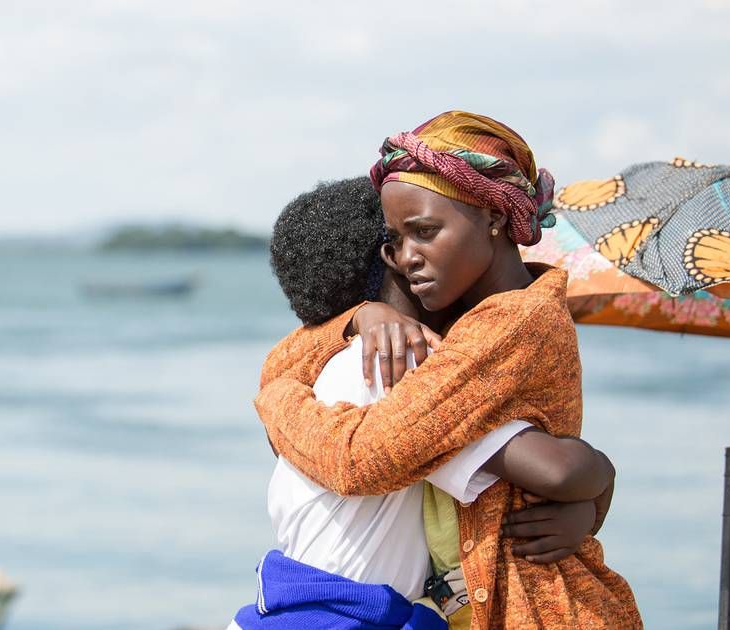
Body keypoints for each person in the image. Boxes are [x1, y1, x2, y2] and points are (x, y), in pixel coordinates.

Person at [255, 112, 640, 628]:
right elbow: (286, 358)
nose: (408, 258)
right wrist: (356, 319)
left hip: (547, 610)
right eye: (395, 242)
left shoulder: (510, 324)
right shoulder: (460, 312)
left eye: (425, 232)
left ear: (493, 217)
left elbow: (365, 459)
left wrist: (277, 403)